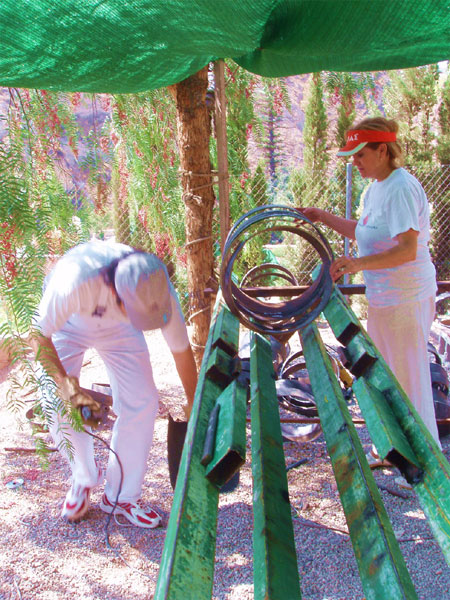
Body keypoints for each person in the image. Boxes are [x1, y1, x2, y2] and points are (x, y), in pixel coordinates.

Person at [31, 239, 198, 527]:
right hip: (67, 327)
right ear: (114, 294)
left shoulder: (156, 288)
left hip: (121, 329)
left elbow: (181, 350)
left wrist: (196, 404)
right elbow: (37, 337)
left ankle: (121, 496)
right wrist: (71, 392)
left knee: (143, 402)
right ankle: (83, 479)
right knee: (54, 401)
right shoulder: (76, 281)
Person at [300, 117, 441, 458]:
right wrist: (322, 216)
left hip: (406, 298)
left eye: (360, 154)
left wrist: (358, 265)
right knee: (390, 375)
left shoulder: (401, 187)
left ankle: (426, 458)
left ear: (383, 150)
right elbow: (363, 232)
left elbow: (407, 249)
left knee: (410, 380)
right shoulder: (375, 187)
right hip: (385, 298)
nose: (355, 163)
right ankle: (399, 449)